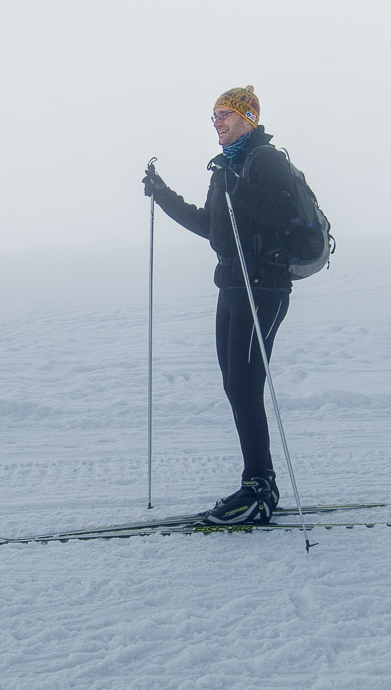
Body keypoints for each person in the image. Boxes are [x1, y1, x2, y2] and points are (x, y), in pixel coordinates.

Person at [142, 85, 295, 525]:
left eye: (225, 114)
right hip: (230, 285)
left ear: (248, 118)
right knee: (235, 386)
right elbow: (214, 229)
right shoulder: (226, 167)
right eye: (214, 116)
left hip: (263, 287)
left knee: (246, 386)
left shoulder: (266, 161)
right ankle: (257, 483)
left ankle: (259, 489)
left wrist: (236, 187)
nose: (218, 123)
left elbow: (281, 217)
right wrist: (163, 194)